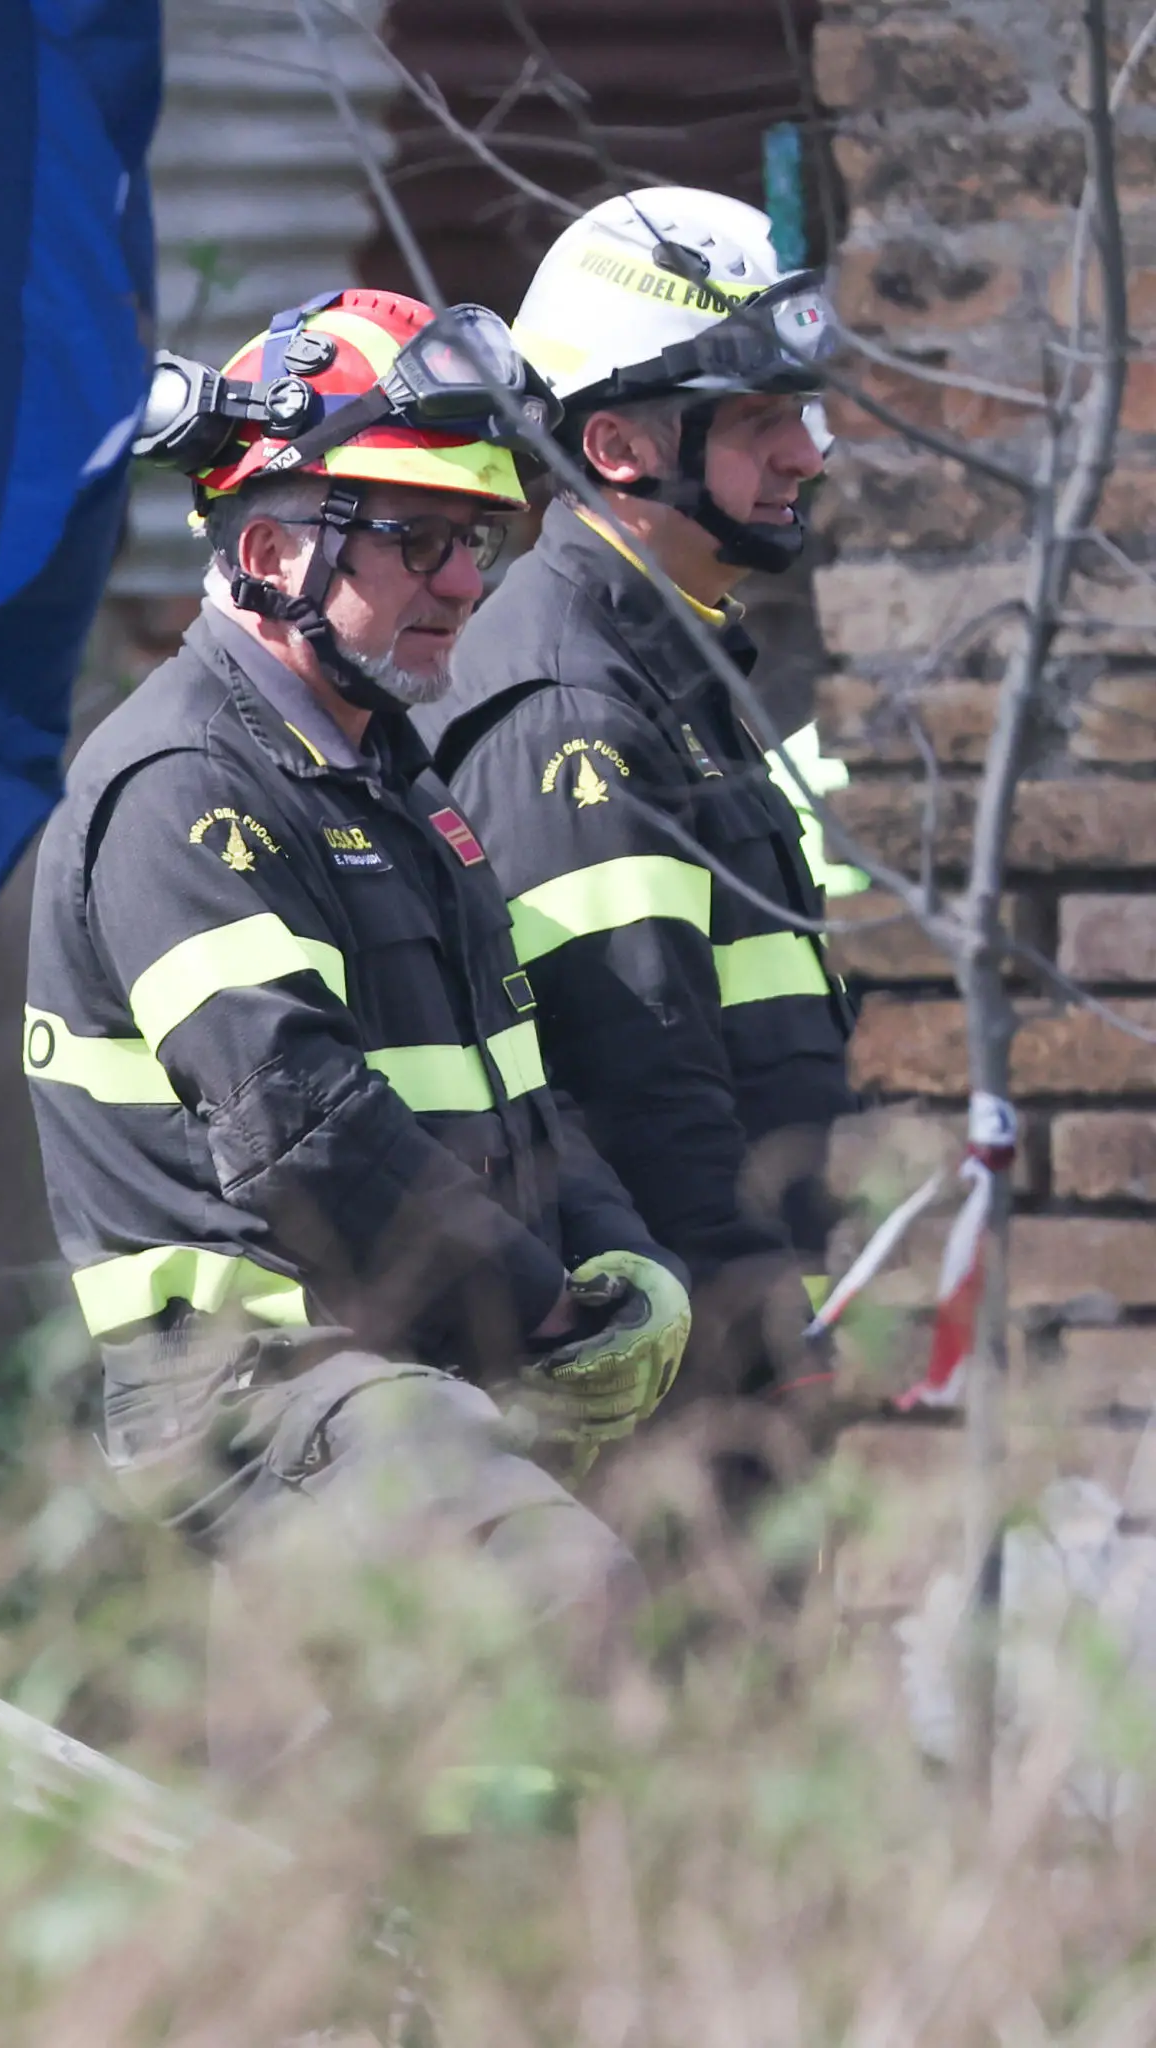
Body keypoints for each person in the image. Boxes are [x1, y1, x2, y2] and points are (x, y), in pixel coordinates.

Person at [24, 290, 687, 1738]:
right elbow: (305, 1131)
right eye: (415, 536)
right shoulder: (182, 786)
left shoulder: (392, 779)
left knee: (384, 1802)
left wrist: (629, 1263)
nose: (463, 579)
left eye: (482, 540)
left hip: (410, 1358)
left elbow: (520, 1078)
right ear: (268, 550)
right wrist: (547, 1311)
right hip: (271, 1383)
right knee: (563, 1592)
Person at [422, 191, 855, 1414]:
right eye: (759, 420)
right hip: (697, 1377)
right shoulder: (574, 702)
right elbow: (637, 1083)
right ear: (617, 449)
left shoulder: (672, 662)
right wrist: (766, 1342)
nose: (806, 456)